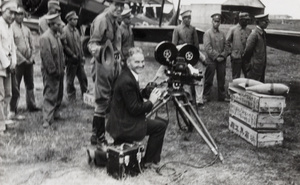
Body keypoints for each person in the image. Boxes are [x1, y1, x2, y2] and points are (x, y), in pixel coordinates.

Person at [106, 47, 168, 166]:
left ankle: (121, 146)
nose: (141, 65)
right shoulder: (127, 80)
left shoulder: (128, 74)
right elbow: (135, 109)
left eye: (142, 61)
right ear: (129, 63)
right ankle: (149, 161)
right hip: (125, 125)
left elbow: (131, 97)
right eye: (137, 62)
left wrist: (146, 91)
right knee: (160, 126)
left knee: (159, 124)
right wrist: (151, 101)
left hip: (120, 121)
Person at [88, 0, 125, 145]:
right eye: (116, 4)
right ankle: (99, 137)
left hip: (114, 64)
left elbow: (117, 45)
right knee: (102, 100)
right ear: (109, 4)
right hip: (103, 63)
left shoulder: (115, 21)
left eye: (122, 5)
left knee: (112, 98)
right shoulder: (102, 20)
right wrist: (102, 53)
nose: (119, 8)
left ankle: (99, 135)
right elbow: (92, 43)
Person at [9, 7, 41, 121]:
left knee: (30, 84)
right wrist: (23, 59)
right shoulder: (11, 29)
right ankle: (13, 109)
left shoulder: (27, 29)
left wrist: (31, 57)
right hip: (18, 62)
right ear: (14, 15)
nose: (20, 16)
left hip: (29, 62)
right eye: (18, 14)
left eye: (22, 14)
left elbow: (32, 45)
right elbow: (13, 48)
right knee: (15, 86)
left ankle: (31, 105)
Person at [39, 14, 65, 128]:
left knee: (57, 93)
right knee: (50, 94)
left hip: (59, 71)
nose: (60, 26)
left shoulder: (56, 36)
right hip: (51, 72)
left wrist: (61, 68)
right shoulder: (45, 38)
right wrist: (53, 71)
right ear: (52, 25)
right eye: (58, 24)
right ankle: (47, 120)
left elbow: (60, 55)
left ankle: (54, 113)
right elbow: (47, 56)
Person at [203, 13, 230, 103]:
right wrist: (216, 56)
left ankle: (222, 96)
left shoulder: (222, 33)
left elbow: (227, 46)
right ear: (212, 21)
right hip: (211, 60)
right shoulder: (207, 33)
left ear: (220, 22)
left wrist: (223, 56)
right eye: (215, 21)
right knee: (209, 79)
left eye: (218, 22)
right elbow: (207, 47)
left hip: (221, 61)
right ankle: (206, 95)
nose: (216, 23)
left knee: (221, 79)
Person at [62, 11, 88, 101]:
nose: (76, 21)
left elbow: (80, 45)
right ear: (69, 20)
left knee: (83, 78)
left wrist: (82, 55)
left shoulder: (76, 30)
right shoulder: (64, 31)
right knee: (70, 80)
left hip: (79, 59)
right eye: (74, 19)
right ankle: (71, 97)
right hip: (71, 60)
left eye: (76, 19)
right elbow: (64, 46)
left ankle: (85, 94)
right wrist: (72, 55)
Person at [0, 1, 17, 133]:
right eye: (10, 12)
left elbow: (12, 45)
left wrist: (14, 61)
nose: (12, 16)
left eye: (14, 13)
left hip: (8, 66)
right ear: (2, 10)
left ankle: (4, 118)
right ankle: (0, 125)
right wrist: (6, 63)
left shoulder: (9, 26)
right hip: (1, 66)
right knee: (0, 96)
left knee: (8, 94)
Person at [243, 14, 269, 83]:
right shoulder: (254, 34)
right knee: (253, 85)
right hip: (254, 67)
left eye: (267, 21)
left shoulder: (262, 33)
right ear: (258, 22)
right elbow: (248, 51)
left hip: (260, 65)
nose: (267, 23)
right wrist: (249, 64)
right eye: (264, 21)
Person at [226, 12, 251, 79]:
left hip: (247, 58)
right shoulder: (233, 30)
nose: (247, 22)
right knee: (236, 77)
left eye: (248, 20)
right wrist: (231, 52)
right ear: (240, 19)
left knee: (249, 76)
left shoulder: (249, 31)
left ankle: (247, 89)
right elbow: (226, 42)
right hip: (236, 57)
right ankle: (235, 89)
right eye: (245, 20)